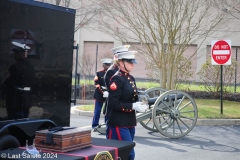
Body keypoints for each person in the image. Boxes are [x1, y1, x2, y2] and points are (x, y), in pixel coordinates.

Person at [107, 50, 148, 160]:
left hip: (129, 121)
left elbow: (131, 97)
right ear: (121, 63)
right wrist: (133, 106)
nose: (133, 65)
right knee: (128, 154)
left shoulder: (131, 78)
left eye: (133, 62)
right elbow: (113, 103)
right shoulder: (117, 79)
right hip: (119, 122)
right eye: (130, 62)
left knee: (125, 154)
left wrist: (140, 104)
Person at [2, 41, 35, 119]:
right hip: (26, 102)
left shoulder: (14, 67)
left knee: (13, 125)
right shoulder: (31, 66)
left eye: (15, 53)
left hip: (15, 102)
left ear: (20, 54)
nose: (14, 55)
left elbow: (8, 83)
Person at [92, 58, 112, 130]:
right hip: (99, 95)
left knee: (107, 111)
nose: (108, 66)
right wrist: (103, 92)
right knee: (97, 111)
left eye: (109, 65)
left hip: (108, 95)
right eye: (107, 65)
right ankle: (94, 125)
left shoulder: (112, 73)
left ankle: (107, 124)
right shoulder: (99, 73)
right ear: (103, 65)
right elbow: (97, 84)